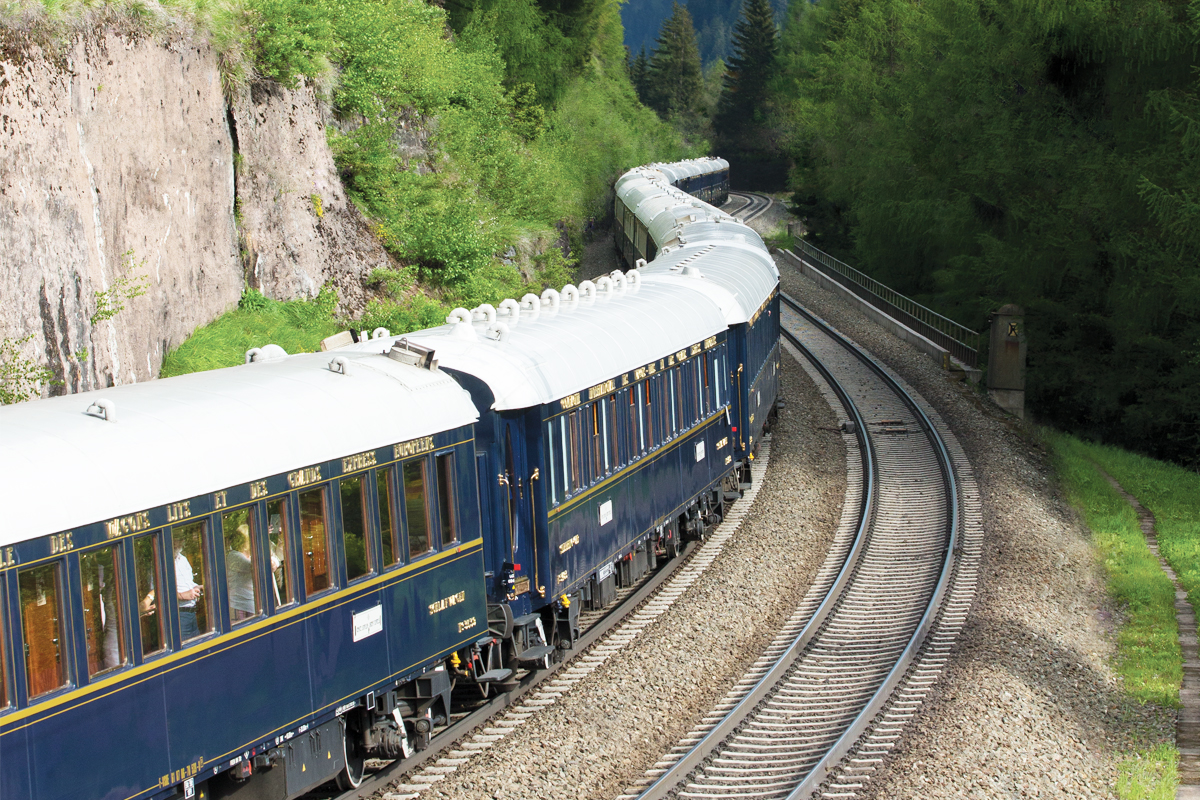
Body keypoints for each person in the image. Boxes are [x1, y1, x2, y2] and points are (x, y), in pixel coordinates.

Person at [225, 524, 256, 621]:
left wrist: (275, 561)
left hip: (251, 604)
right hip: (239, 606)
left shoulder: (249, 556)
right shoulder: (234, 556)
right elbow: (255, 567)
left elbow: (277, 558)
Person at [175, 544, 202, 640]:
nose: (177, 543)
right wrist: (181, 596)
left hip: (192, 613)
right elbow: (157, 591)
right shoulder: (160, 562)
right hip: (178, 615)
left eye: (180, 540)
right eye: (175, 540)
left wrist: (197, 587)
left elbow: (189, 582)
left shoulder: (183, 559)